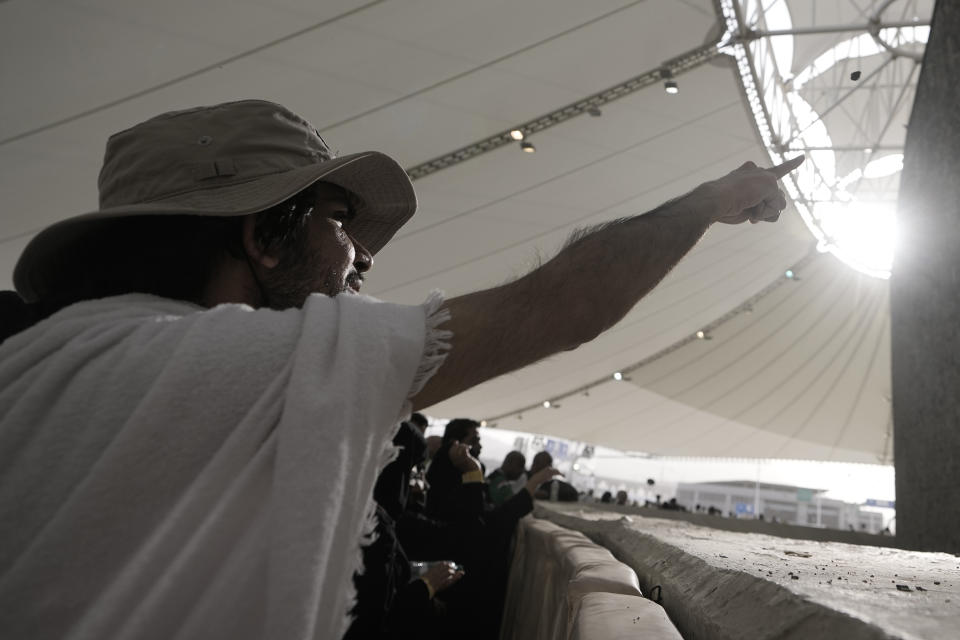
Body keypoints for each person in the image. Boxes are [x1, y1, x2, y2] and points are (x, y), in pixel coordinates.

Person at [0, 97, 801, 639]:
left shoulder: (40, 361)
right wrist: (709, 202)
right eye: (339, 219)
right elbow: (561, 306)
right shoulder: (240, 363)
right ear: (262, 238)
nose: (365, 253)